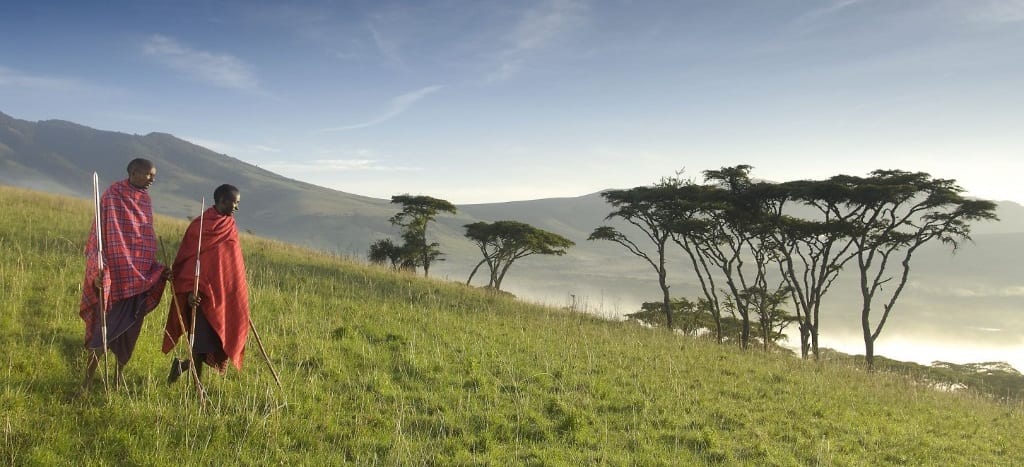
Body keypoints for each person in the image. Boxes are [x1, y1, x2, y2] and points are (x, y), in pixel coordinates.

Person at [79, 158, 169, 390]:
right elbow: (100, 236)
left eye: (153, 175)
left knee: (130, 331)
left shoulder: (145, 201)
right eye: (149, 174)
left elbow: (145, 240)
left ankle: (119, 376)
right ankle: (87, 380)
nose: (152, 179)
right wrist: (98, 270)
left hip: (140, 278)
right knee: (104, 330)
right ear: (134, 172)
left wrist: (156, 271)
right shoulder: (112, 196)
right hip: (115, 277)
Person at [163, 184, 250, 386]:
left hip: (221, 295)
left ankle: (183, 367)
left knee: (212, 341)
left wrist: (234, 293)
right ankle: (196, 385)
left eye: (237, 203)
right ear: (221, 200)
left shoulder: (230, 226)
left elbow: (231, 264)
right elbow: (187, 261)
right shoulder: (199, 226)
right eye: (234, 202)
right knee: (200, 341)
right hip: (200, 296)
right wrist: (190, 292)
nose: (236, 208)